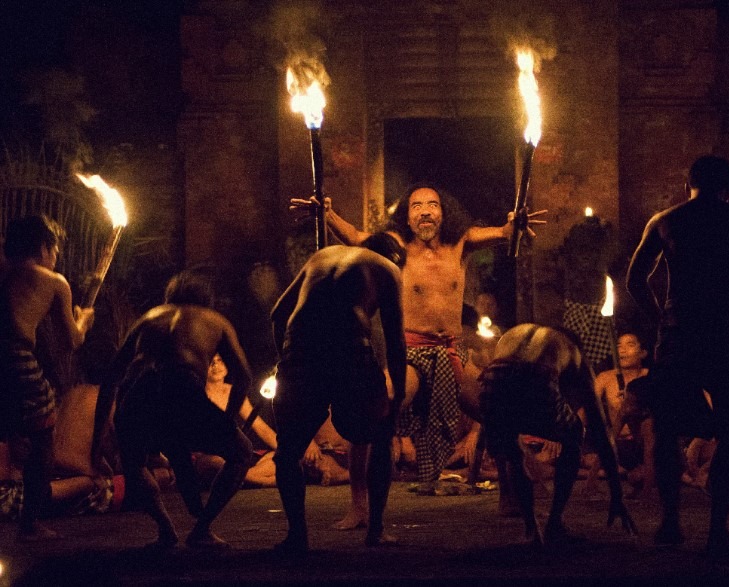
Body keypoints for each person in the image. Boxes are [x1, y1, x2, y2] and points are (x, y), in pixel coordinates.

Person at [292, 182, 545, 501]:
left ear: (444, 213)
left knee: (499, 412)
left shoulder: (461, 243)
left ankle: (512, 497)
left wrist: (515, 224)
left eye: (433, 205)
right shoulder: (397, 246)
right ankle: (359, 503)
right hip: (410, 356)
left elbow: (505, 232)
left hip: (453, 353)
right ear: (407, 218)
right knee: (372, 413)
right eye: (416, 206)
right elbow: (356, 238)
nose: (425, 211)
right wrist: (327, 214)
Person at [626, 155, 729, 556]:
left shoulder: (667, 220)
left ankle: (671, 523)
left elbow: (634, 280)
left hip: (679, 337)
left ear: (687, 186)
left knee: (666, 429)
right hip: (726, 336)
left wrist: (660, 317)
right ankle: (716, 530)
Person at [269, 232, 407, 554]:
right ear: (394, 256)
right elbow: (395, 339)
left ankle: (297, 536)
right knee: (382, 433)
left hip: (300, 353)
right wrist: (397, 394)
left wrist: (285, 359)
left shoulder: (322, 255)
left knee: (287, 451)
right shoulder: (387, 268)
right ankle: (376, 530)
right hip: (350, 353)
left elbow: (278, 314)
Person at [98, 271, 254, 549]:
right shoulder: (215, 320)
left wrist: (99, 435)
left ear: (170, 298)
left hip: (138, 393)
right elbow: (243, 376)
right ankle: (201, 528)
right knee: (242, 453)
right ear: (207, 300)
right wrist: (229, 421)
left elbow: (112, 376)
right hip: (180, 388)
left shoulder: (149, 317)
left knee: (135, 463)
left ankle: (166, 530)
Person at [477, 324, 635, 544]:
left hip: (493, 375)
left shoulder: (515, 333)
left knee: (514, 451)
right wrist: (617, 496)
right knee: (574, 433)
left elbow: (502, 388)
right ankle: (554, 523)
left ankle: (531, 530)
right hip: (537, 375)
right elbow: (598, 426)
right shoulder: (574, 351)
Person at [0, 215, 95, 540]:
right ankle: (30, 525)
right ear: (44, 248)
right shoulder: (53, 281)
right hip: (17, 361)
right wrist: (83, 320)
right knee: (43, 442)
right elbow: (72, 340)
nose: (56, 258)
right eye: (55, 251)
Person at [196, 354, 278, 488]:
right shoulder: (198, 394)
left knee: (276, 458)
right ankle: (264, 481)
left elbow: (259, 425)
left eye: (220, 360)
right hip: (211, 455)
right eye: (211, 362)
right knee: (216, 461)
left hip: (238, 454)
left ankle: (243, 478)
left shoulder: (234, 392)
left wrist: (286, 450)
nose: (216, 366)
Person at [590, 330, 654, 496]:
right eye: (619, 346)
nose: (623, 350)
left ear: (643, 353)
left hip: (647, 442)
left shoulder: (650, 377)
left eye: (630, 345)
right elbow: (590, 408)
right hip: (621, 446)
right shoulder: (605, 378)